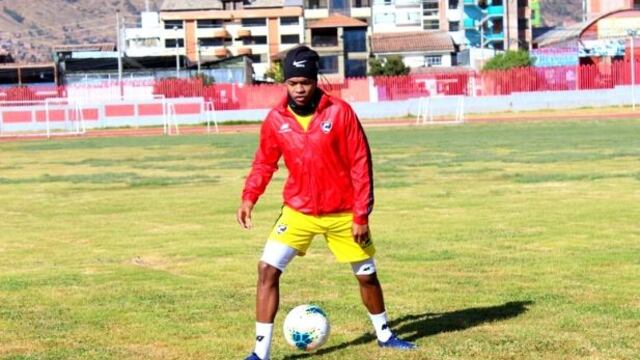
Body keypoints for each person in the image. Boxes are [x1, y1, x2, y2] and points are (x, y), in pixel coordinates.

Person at [237, 46, 416, 360]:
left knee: (366, 275)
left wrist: (361, 214)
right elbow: (264, 163)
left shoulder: (340, 112)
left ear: (315, 80)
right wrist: (249, 197)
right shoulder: (276, 119)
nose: (300, 88)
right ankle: (259, 353)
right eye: (293, 82)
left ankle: (385, 335)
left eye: (305, 81)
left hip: (344, 213)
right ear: (285, 83)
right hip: (298, 212)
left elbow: (360, 163)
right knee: (267, 270)